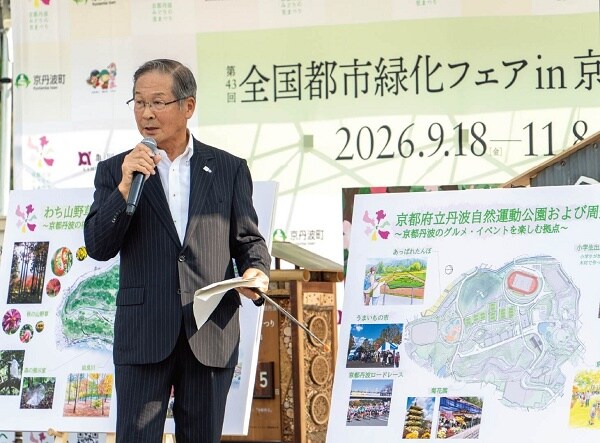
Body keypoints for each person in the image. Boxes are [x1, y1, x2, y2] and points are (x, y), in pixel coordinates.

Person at [83, 59, 271, 443]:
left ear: (188, 106)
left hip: (210, 331)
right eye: (139, 102)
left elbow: (249, 241)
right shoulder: (116, 171)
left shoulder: (228, 169)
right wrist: (124, 188)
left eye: (158, 102)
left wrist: (256, 270)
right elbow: (99, 246)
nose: (147, 113)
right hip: (144, 332)